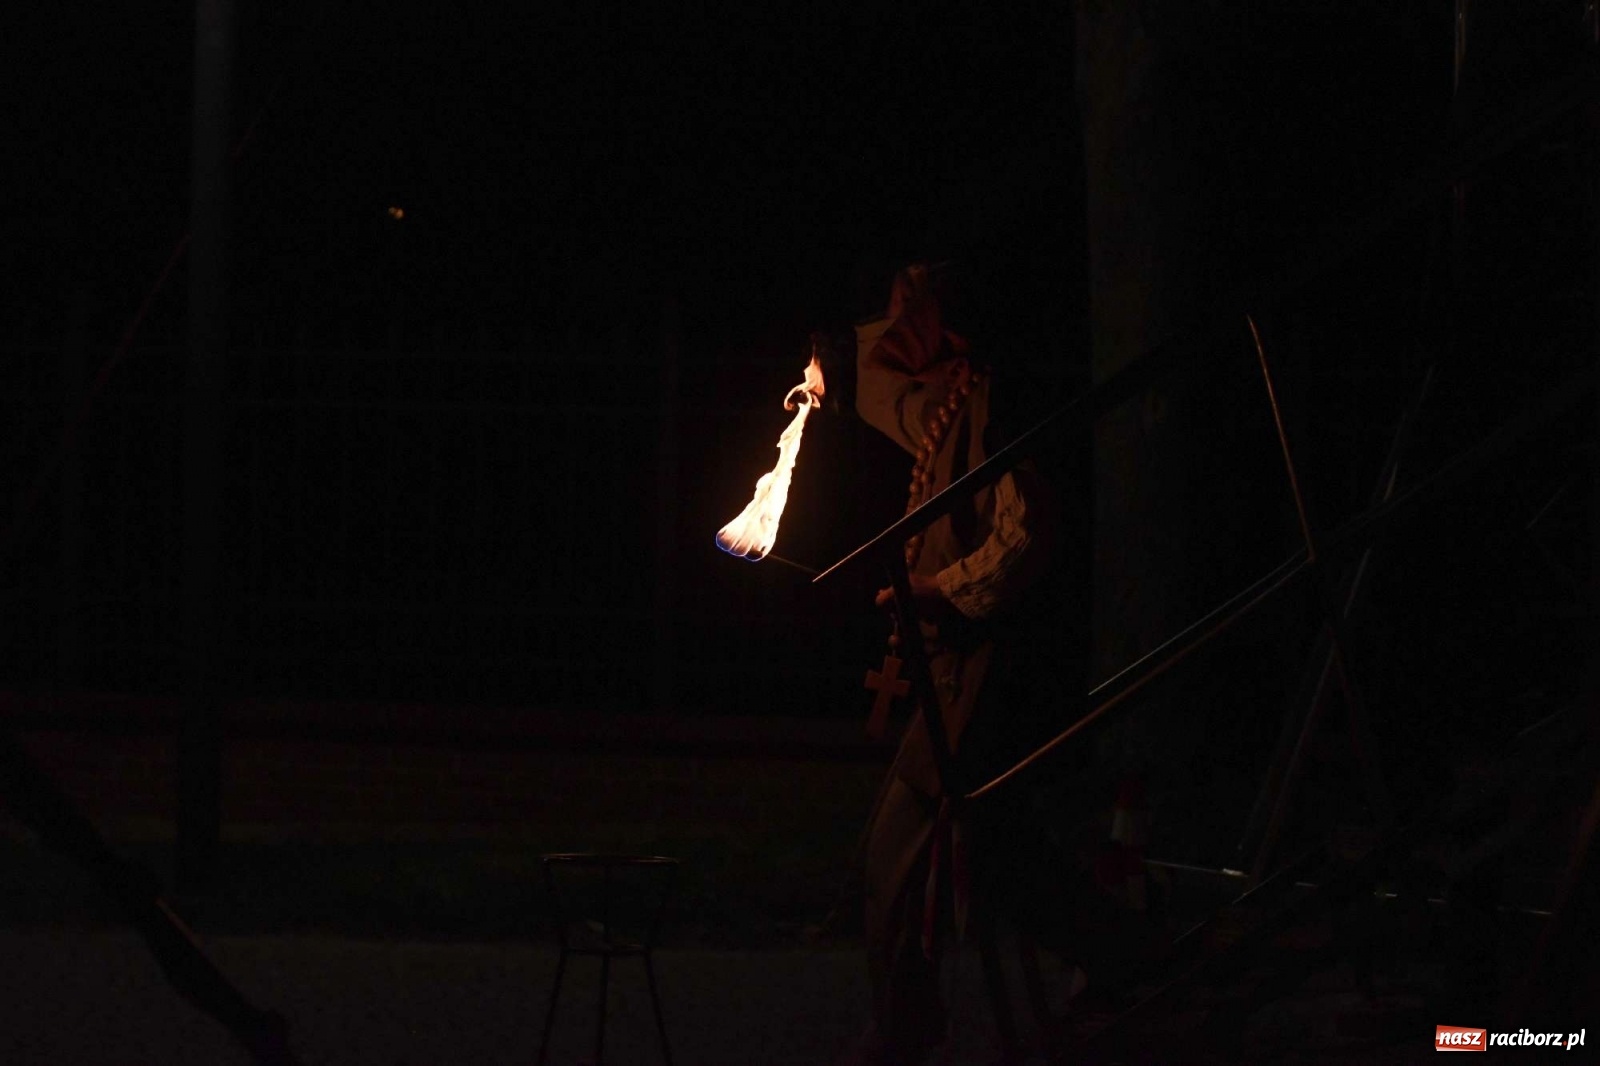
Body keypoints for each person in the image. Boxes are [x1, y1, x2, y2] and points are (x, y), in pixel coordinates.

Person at [839, 262, 1070, 1065]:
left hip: (985, 673)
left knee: (895, 855)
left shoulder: (997, 398)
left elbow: (1026, 534)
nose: (900, 302)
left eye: (916, 290)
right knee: (1009, 863)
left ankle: (903, 1031)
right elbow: (882, 397)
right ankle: (1143, 964)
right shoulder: (950, 397)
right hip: (955, 673)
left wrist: (938, 588)